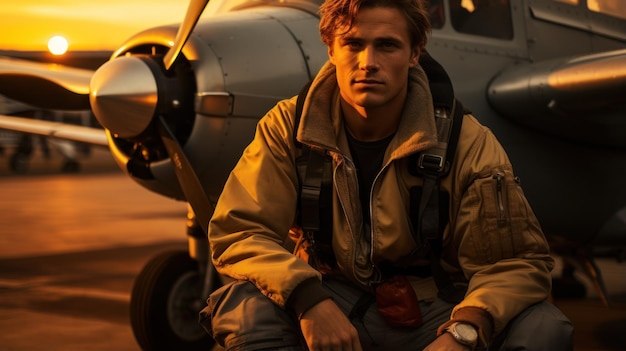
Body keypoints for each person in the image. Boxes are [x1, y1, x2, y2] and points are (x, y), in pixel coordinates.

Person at [200, 0, 573, 350]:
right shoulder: (287, 127)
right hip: (331, 294)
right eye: (353, 44)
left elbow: (515, 264)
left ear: (415, 54)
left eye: (387, 46)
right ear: (331, 50)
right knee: (243, 305)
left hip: (438, 305)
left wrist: (467, 329)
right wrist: (308, 300)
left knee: (543, 327)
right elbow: (242, 230)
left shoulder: (466, 140)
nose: (368, 62)